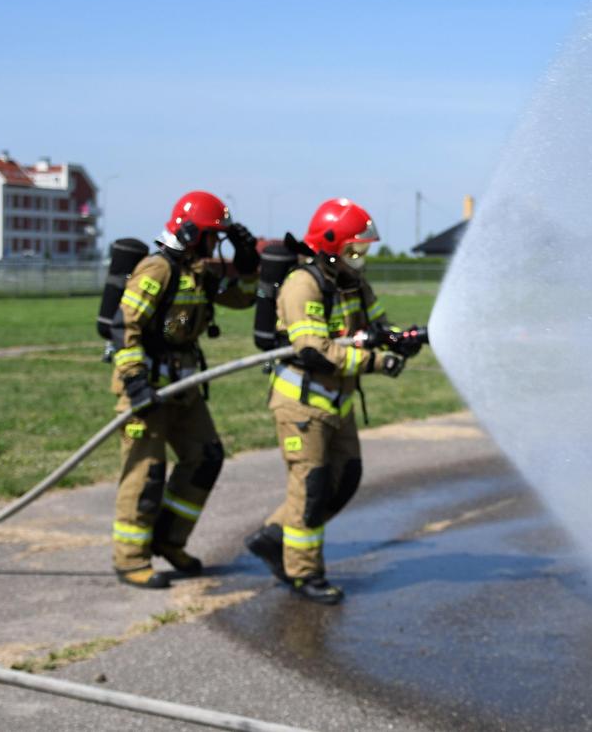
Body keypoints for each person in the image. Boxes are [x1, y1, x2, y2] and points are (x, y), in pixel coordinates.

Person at [244, 198, 414, 605]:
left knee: (346, 478)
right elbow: (313, 351)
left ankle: (274, 537)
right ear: (330, 245)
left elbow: (378, 326)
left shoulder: (352, 281)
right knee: (313, 486)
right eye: (355, 249)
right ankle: (303, 573)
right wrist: (376, 361)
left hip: (338, 401)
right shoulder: (303, 284)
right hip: (302, 405)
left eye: (364, 249)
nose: (361, 257)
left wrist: (403, 340)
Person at [109, 190, 259, 589]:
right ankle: (130, 559)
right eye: (214, 237)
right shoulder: (157, 269)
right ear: (194, 234)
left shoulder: (200, 275)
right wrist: (135, 381)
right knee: (147, 473)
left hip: (183, 388)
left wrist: (248, 266)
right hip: (146, 389)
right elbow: (124, 327)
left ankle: (169, 540)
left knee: (205, 457)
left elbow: (248, 299)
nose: (216, 245)